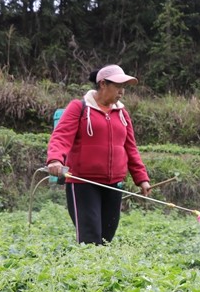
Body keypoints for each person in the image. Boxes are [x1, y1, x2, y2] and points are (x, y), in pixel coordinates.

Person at [46, 65, 151, 244]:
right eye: (118, 87)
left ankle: (100, 270)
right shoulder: (79, 108)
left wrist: (141, 178)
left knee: (106, 238)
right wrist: (55, 159)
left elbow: (130, 148)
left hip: (114, 184)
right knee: (90, 238)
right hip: (83, 183)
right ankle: (85, 271)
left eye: (123, 87)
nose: (121, 92)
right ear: (102, 84)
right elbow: (61, 137)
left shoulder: (122, 114)